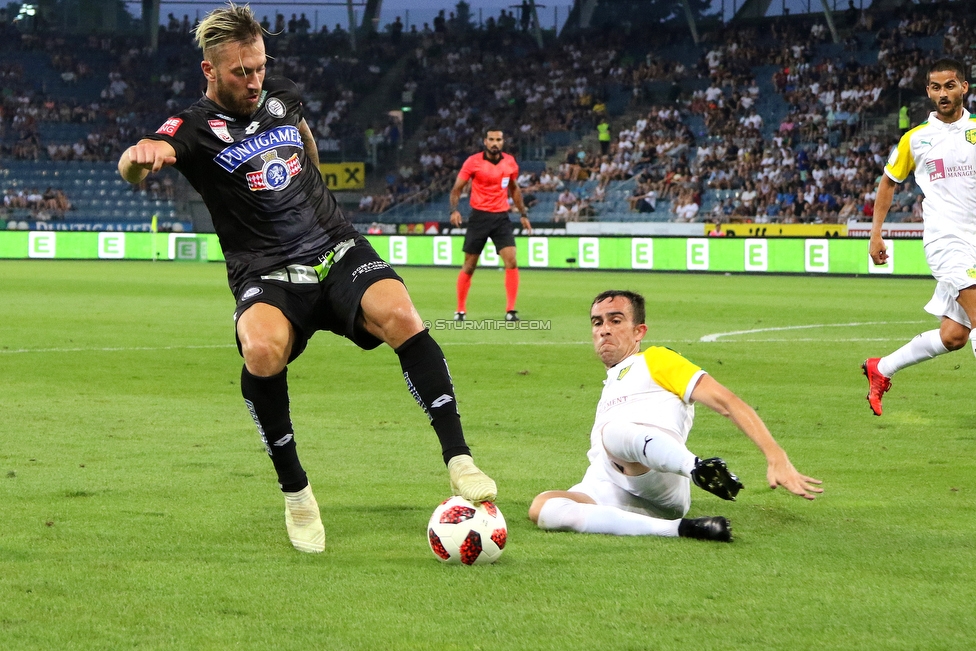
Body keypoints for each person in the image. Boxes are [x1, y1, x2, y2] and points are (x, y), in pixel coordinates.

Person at [116, 3, 496, 554]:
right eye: (240, 72)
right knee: (262, 350)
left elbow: (302, 137)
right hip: (266, 268)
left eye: (259, 67)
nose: (253, 81)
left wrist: (317, 184)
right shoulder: (191, 128)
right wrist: (138, 155)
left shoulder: (282, 94)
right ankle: (297, 493)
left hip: (333, 244)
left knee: (402, 314)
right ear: (210, 71)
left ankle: (459, 458)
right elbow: (140, 163)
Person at [528, 290, 822, 542]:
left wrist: (775, 455)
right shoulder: (612, 381)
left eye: (615, 321)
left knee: (612, 432)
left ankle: (699, 469)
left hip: (660, 477)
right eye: (597, 322)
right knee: (544, 508)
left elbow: (727, 402)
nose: (604, 329)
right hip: (612, 484)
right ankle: (679, 529)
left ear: (639, 331)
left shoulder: (656, 360)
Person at [863, 58, 976, 416]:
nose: (943, 93)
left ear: (964, 88)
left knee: (955, 336)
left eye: (950, 85)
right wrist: (875, 234)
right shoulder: (915, 139)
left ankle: (881, 368)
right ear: (928, 91)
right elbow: (888, 182)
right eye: (936, 87)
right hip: (947, 242)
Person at [449, 128, 531, 321]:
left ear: (503, 142)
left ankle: (510, 310)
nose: (495, 143)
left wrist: (523, 214)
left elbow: (514, 188)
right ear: (485, 141)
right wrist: (454, 210)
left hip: (501, 217)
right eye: (492, 139)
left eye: (499, 139)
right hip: (479, 217)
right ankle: (460, 310)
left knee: (511, 259)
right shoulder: (473, 162)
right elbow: (456, 189)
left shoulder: (510, 162)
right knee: (469, 265)